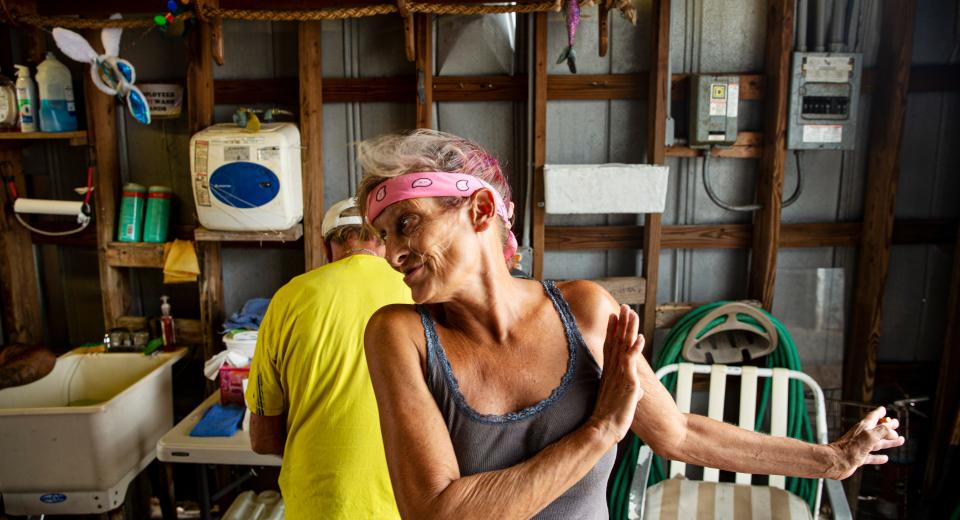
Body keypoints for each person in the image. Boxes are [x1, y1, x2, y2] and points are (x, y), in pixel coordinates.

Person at [356, 130, 905, 519]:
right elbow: (436, 515)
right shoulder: (399, 336)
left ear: (478, 211)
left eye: (406, 224)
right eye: (383, 237)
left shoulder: (586, 311)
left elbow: (679, 433)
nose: (392, 253)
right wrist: (598, 432)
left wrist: (830, 460)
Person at [245, 197, 412, 520]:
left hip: (319, 503)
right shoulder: (420, 291)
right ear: (386, 240)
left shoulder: (289, 298)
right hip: (408, 503)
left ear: (325, 246)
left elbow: (263, 439)